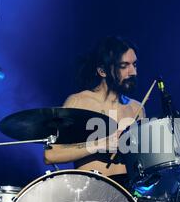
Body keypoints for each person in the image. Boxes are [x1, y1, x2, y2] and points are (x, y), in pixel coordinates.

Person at [44, 36, 145, 186]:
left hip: (130, 195)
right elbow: (51, 154)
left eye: (134, 64)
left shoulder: (137, 108)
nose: (133, 72)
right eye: (124, 66)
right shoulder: (78, 102)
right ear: (102, 71)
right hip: (91, 193)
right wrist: (99, 144)